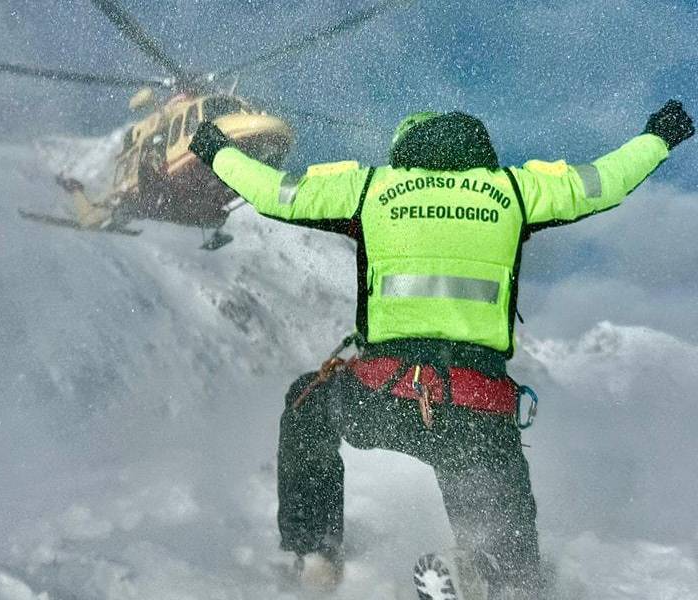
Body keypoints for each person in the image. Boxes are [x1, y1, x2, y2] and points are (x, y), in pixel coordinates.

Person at [189, 100, 694, 599]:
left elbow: (274, 192)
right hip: (480, 409)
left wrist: (216, 151)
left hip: (385, 397)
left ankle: (316, 556)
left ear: (406, 148)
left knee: (308, 405)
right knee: (517, 569)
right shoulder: (516, 191)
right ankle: (486, 573)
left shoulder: (371, 188)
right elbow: (604, 181)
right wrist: (659, 137)